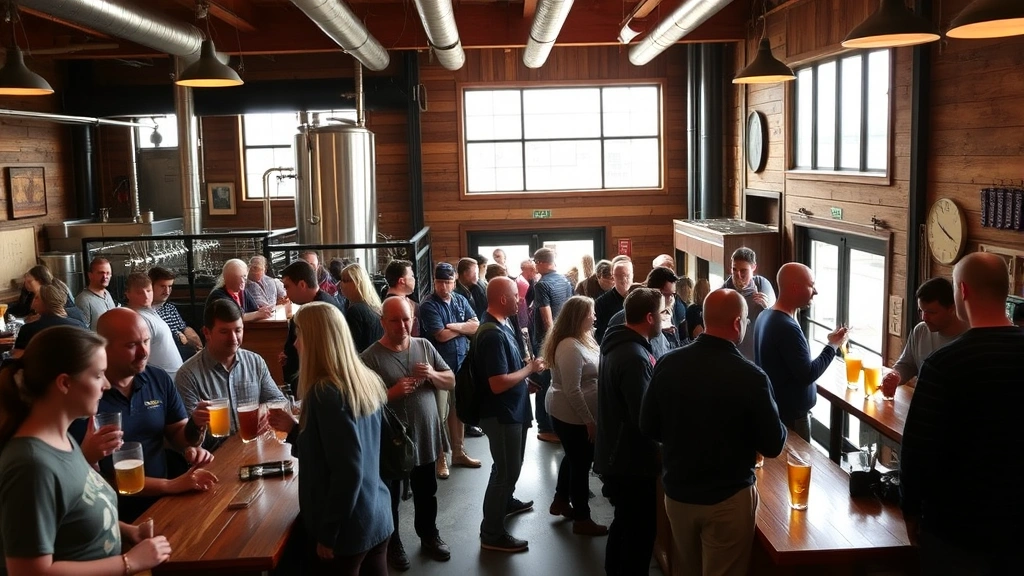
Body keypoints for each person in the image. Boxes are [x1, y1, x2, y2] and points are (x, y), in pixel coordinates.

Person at [0, 326, 172, 575]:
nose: (106, 384)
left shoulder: (63, 438)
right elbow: (29, 571)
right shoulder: (30, 465)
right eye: (98, 375)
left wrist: (128, 530)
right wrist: (128, 562)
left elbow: (76, 512)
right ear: (65, 383)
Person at [641, 289, 787, 576]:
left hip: (679, 494)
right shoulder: (751, 377)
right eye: (745, 320)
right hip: (728, 498)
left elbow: (648, 425)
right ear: (737, 323)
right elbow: (772, 445)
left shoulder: (669, 363)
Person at [900, 253, 1024, 573]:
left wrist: (911, 511)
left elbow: (918, 449)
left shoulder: (944, 365)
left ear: (962, 292)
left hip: (956, 529)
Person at [268, 302, 393, 576]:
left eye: (299, 335)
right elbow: (351, 449)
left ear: (315, 340)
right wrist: (295, 429)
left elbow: (348, 471)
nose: (296, 344)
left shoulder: (324, 392)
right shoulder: (365, 380)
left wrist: (328, 533)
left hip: (348, 529)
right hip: (378, 513)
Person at [69, 308, 215, 523]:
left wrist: (196, 427)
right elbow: (96, 476)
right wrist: (172, 485)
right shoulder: (86, 396)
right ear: (103, 347)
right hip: (115, 513)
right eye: (131, 345)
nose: (143, 352)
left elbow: (179, 435)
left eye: (146, 341)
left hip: (165, 501)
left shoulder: (157, 378)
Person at [361, 298, 455, 569]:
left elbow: (451, 380)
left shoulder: (424, 346)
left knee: (427, 491)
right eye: (395, 320)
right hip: (391, 443)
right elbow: (363, 404)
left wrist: (433, 376)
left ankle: (429, 535)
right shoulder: (369, 358)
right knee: (389, 498)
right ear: (382, 322)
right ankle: (392, 544)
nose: (402, 325)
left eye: (406, 319)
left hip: (425, 436)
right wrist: (391, 393)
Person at [593, 288, 663, 576]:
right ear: (649, 317)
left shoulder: (619, 344)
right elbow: (644, 418)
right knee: (638, 534)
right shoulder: (634, 357)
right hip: (630, 461)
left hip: (616, 454)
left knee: (623, 524)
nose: (663, 318)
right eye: (661, 313)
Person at [476, 277, 547, 553]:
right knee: (506, 471)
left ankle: (505, 503)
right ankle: (491, 533)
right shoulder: (492, 333)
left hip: (512, 408)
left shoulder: (502, 324)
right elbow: (496, 383)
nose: (520, 301)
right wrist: (528, 371)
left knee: (509, 466)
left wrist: (522, 379)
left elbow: (505, 374)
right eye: (516, 297)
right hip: (502, 414)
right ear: (503, 299)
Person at [752, 263, 847, 442]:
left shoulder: (766, 315)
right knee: (798, 466)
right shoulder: (786, 327)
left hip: (777, 411)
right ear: (795, 287)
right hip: (791, 418)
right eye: (811, 285)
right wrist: (833, 346)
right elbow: (808, 374)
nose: (816, 291)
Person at [175, 299, 287, 449]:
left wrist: (264, 410)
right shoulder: (187, 374)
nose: (233, 338)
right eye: (224, 332)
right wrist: (195, 423)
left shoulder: (255, 361)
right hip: (215, 456)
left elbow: (278, 400)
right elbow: (189, 440)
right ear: (207, 333)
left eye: (238, 330)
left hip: (254, 448)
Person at [542, 296, 607, 536]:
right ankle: (582, 518)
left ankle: (560, 500)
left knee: (573, 457)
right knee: (580, 464)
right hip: (571, 416)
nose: (595, 317)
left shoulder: (583, 338)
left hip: (577, 415)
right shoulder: (569, 346)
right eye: (591, 313)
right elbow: (572, 389)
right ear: (579, 317)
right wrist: (588, 420)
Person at [418, 262, 482, 480]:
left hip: (461, 365)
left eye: (448, 282)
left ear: (454, 281)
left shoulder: (461, 299)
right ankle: (440, 458)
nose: (444, 287)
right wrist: (462, 327)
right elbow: (441, 336)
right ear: (434, 282)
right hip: (439, 368)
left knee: (458, 410)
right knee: (439, 413)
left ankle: (458, 451)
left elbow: (476, 326)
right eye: (439, 282)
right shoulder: (428, 305)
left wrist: (453, 327)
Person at [881, 277, 967, 392]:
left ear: (952, 309)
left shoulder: (969, 338)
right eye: (921, 311)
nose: (924, 318)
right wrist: (894, 376)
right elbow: (907, 365)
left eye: (931, 312)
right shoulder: (920, 330)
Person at [531, 247, 575, 444]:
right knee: (559, 383)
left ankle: (545, 427)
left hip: (547, 341)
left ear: (540, 262)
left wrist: (552, 343)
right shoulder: (565, 280)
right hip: (566, 337)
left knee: (543, 383)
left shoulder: (542, 285)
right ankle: (559, 423)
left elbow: (547, 319)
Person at [280, 260, 346, 388]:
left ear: (302, 284)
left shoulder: (320, 311)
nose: (286, 293)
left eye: (287, 287)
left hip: (315, 384)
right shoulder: (321, 303)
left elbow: (322, 353)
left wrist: (290, 356)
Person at [605, 267, 680, 359]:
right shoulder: (624, 316)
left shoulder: (667, 314)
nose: (671, 299)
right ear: (654, 291)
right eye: (666, 295)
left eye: (673, 294)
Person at [123, 272, 183, 381]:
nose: (146, 296)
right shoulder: (136, 319)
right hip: (159, 381)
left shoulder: (150, 311)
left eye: (148, 291)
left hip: (171, 379)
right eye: (139, 293)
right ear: (128, 294)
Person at [723, 247, 777, 360]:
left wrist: (767, 309)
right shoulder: (723, 292)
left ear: (753, 268)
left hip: (759, 358)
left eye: (743, 271)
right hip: (733, 359)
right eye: (734, 270)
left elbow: (776, 322)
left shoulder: (762, 285)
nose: (738, 276)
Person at [11, 284, 86, 358]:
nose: (32, 304)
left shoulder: (28, 329)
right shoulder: (79, 325)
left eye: (36, 298)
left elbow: (18, 357)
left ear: (46, 302)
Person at [149, 266, 203, 362]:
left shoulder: (170, 308)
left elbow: (185, 329)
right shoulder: (146, 312)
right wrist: (180, 337)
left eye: (170, 286)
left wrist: (195, 344)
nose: (167, 291)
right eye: (162, 286)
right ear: (150, 286)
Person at [9, 265, 87, 325]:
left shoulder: (56, 289)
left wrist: (41, 317)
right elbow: (22, 309)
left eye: (29, 282)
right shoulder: (30, 292)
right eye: (25, 282)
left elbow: (65, 312)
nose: (26, 284)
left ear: (40, 280)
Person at [337, 262, 385, 353]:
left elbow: (352, 347)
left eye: (345, 280)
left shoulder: (356, 311)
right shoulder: (374, 306)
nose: (340, 284)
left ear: (356, 283)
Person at [206, 259, 273, 322]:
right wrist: (257, 314)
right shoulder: (218, 296)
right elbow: (234, 317)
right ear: (228, 279)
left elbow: (254, 309)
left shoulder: (243, 293)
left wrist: (262, 311)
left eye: (245, 276)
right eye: (240, 277)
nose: (243, 280)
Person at [594, 258, 633, 342]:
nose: (624, 279)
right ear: (613, 277)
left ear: (633, 275)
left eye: (628, 275)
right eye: (620, 276)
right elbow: (599, 334)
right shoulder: (601, 303)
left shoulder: (640, 297)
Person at [76, 257, 117, 330]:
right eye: (101, 273)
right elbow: (83, 332)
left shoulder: (107, 293)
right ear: (90, 275)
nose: (105, 277)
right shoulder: (83, 300)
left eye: (108, 273)